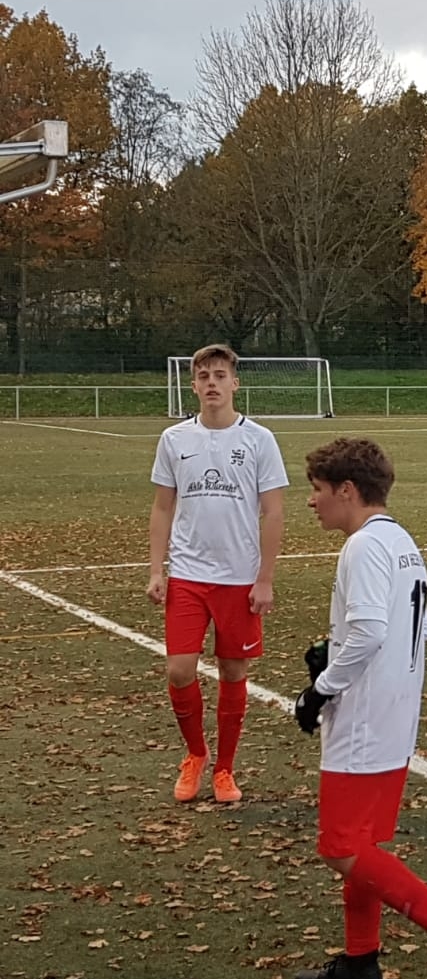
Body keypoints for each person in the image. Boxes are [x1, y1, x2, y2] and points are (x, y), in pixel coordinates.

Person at [292, 437, 427, 979]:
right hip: (394, 713)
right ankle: (360, 961)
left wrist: (320, 689)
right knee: (363, 845)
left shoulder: (363, 546)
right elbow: (410, 629)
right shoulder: (401, 540)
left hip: (364, 718)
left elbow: (370, 631)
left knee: (340, 847)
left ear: (347, 490)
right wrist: (334, 652)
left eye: (318, 490)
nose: (312, 501)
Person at [147, 342, 288, 805]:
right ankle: (196, 754)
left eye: (220, 375)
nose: (212, 383)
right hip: (188, 575)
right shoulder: (174, 439)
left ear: (235, 383)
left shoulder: (259, 440)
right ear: (193, 385)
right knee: (179, 669)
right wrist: (157, 569)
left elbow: (273, 512)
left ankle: (225, 767)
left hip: (240, 577)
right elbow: (162, 507)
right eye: (204, 376)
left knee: (232, 669)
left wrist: (264, 579)